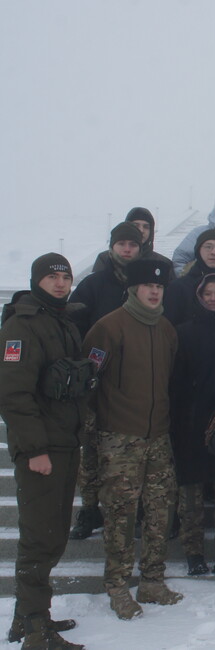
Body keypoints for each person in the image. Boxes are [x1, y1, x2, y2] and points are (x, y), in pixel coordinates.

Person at [82, 258, 183, 620]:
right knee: (121, 515)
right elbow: (88, 384)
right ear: (133, 289)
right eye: (147, 286)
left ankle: (152, 580)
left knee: (159, 512)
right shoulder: (108, 328)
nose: (154, 291)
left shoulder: (167, 330)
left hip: (158, 436)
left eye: (159, 287)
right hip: (119, 438)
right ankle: (118, 585)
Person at [0, 254, 90, 649]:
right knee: (40, 537)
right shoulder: (22, 325)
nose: (60, 282)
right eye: (52, 276)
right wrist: (35, 449)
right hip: (42, 450)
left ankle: (28, 617)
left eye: (66, 276)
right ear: (37, 280)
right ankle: (36, 629)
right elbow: (14, 393)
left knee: (51, 536)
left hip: (65, 443)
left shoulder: (62, 321)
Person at [66, 223, 144, 542]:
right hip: (97, 381)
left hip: (134, 383)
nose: (127, 249)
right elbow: (73, 324)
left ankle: (133, 509)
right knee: (92, 452)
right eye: (122, 243)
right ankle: (89, 510)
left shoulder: (145, 283)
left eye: (132, 244)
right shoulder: (94, 284)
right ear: (112, 246)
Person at [169, 273, 215, 577]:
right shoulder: (182, 332)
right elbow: (175, 380)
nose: (213, 298)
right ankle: (194, 552)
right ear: (199, 296)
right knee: (191, 493)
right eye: (207, 293)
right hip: (191, 419)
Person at [91, 207, 176, 282]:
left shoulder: (162, 263)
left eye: (146, 227)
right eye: (136, 225)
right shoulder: (106, 259)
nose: (141, 230)